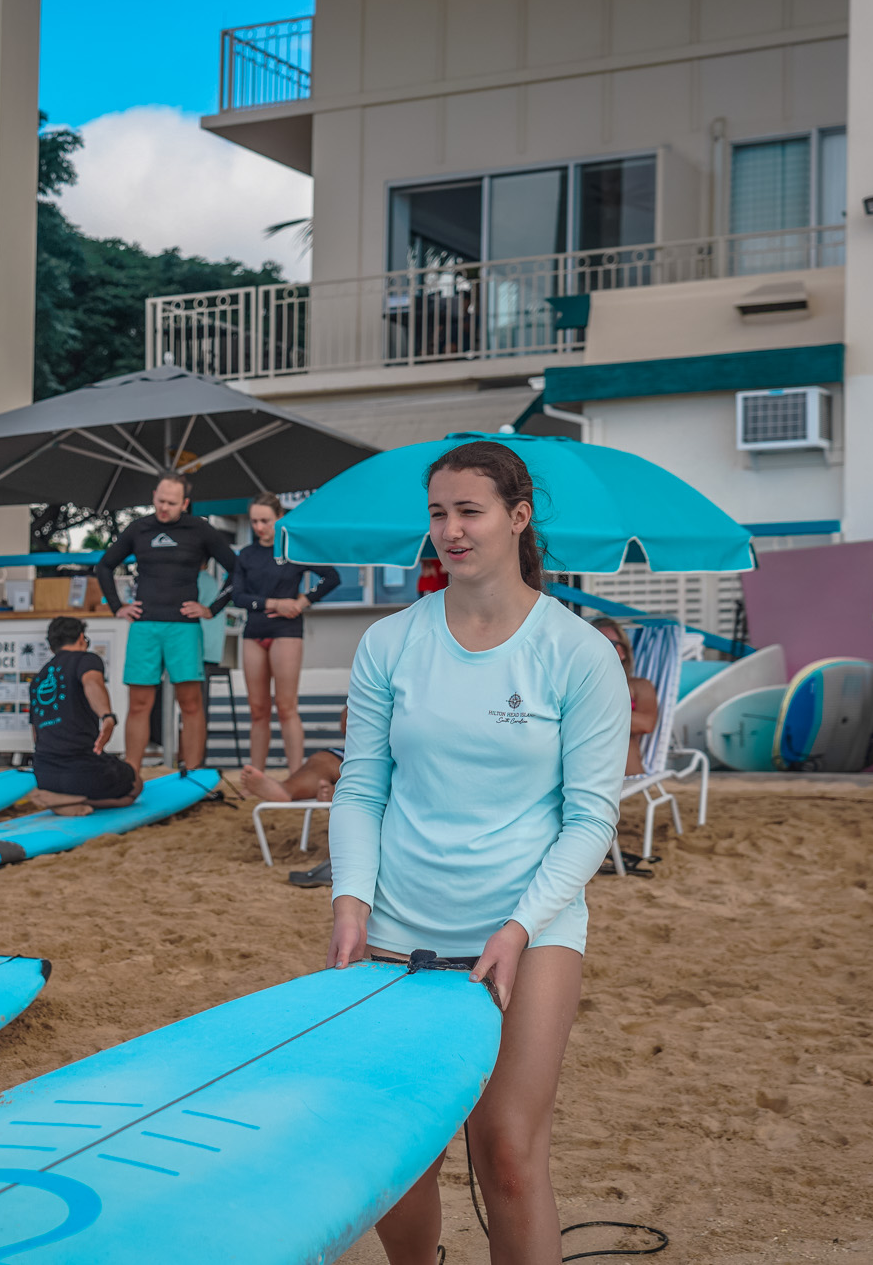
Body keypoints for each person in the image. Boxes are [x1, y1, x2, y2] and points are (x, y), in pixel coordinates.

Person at [327, 440, 627, 1264]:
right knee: (401, 1151)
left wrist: (522, 926)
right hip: (396, 929)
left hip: (528, 924)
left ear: (517, 517)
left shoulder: (578, 652)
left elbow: (591, 817)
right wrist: (350, 902)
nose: (451, 530)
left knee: (507, 1151)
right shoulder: (390, 642)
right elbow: (360, 788)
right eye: (438, 513)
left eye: (470, 511)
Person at [94, 473, 237, 770]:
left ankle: (193, 773)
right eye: (160, 501)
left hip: (184, 627)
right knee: (140, 704)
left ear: (184, 503)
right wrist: (118, 607)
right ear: (153, 496)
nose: (164, 508)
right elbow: (105, 565)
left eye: (171, 503)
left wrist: (212, 608)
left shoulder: (200, 529)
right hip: (145, 626)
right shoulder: (139, 528)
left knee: (191, 704)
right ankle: (132, 772)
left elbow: (237, 570)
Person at [231, 492, 341, 775]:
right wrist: (274, 603)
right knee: (258, 710)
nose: (259, 527)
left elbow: (331, 577)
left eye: (265, 520)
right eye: (255, 521)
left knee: (286, 707)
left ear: (279, 518)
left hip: (286, 632)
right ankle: (256, 774)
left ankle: (295, 776)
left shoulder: (293, 549)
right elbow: (239, 596)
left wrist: (303, 601)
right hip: (254, 631)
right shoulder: (246, 554)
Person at [26, 616, 139, 815]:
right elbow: (92, 683)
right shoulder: (86, 659)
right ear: (81, 638)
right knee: (135, 786)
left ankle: (59, 797)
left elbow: (36, 734)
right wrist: (107, 716)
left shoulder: (38, 679)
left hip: (44, 775)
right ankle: (77, 800)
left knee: (102, 768)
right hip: (82, 772)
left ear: (52, 647)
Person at [241, 707, 349, 891]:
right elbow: (346, 725)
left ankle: (341, 794)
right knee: (322, 761)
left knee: (360, 772)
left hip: (390, 754)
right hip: (361, 751)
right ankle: (286, 789)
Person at [590, 618, 659, 776]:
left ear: (622, 651)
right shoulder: (574, 685)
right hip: (584, 772)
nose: (602, 648)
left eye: (610, 644)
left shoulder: (639, 686)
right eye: (595, 642)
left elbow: (645, 724)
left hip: (628, 776)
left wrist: (590, 711)